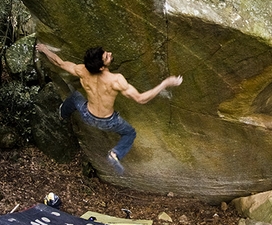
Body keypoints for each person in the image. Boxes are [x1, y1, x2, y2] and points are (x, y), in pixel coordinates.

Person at [36, 43, 183, 175]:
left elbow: (59, 63)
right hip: (109, 121)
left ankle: (62, 113)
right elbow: (141, 99)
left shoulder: (82, 70)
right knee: (130, 133)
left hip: (87, 114)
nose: (110, 53)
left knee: (75, 96)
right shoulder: (116, 80)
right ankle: (115, 153)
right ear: (101, 67)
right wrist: (165, 83)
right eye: (107, 56)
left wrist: (44, 49)